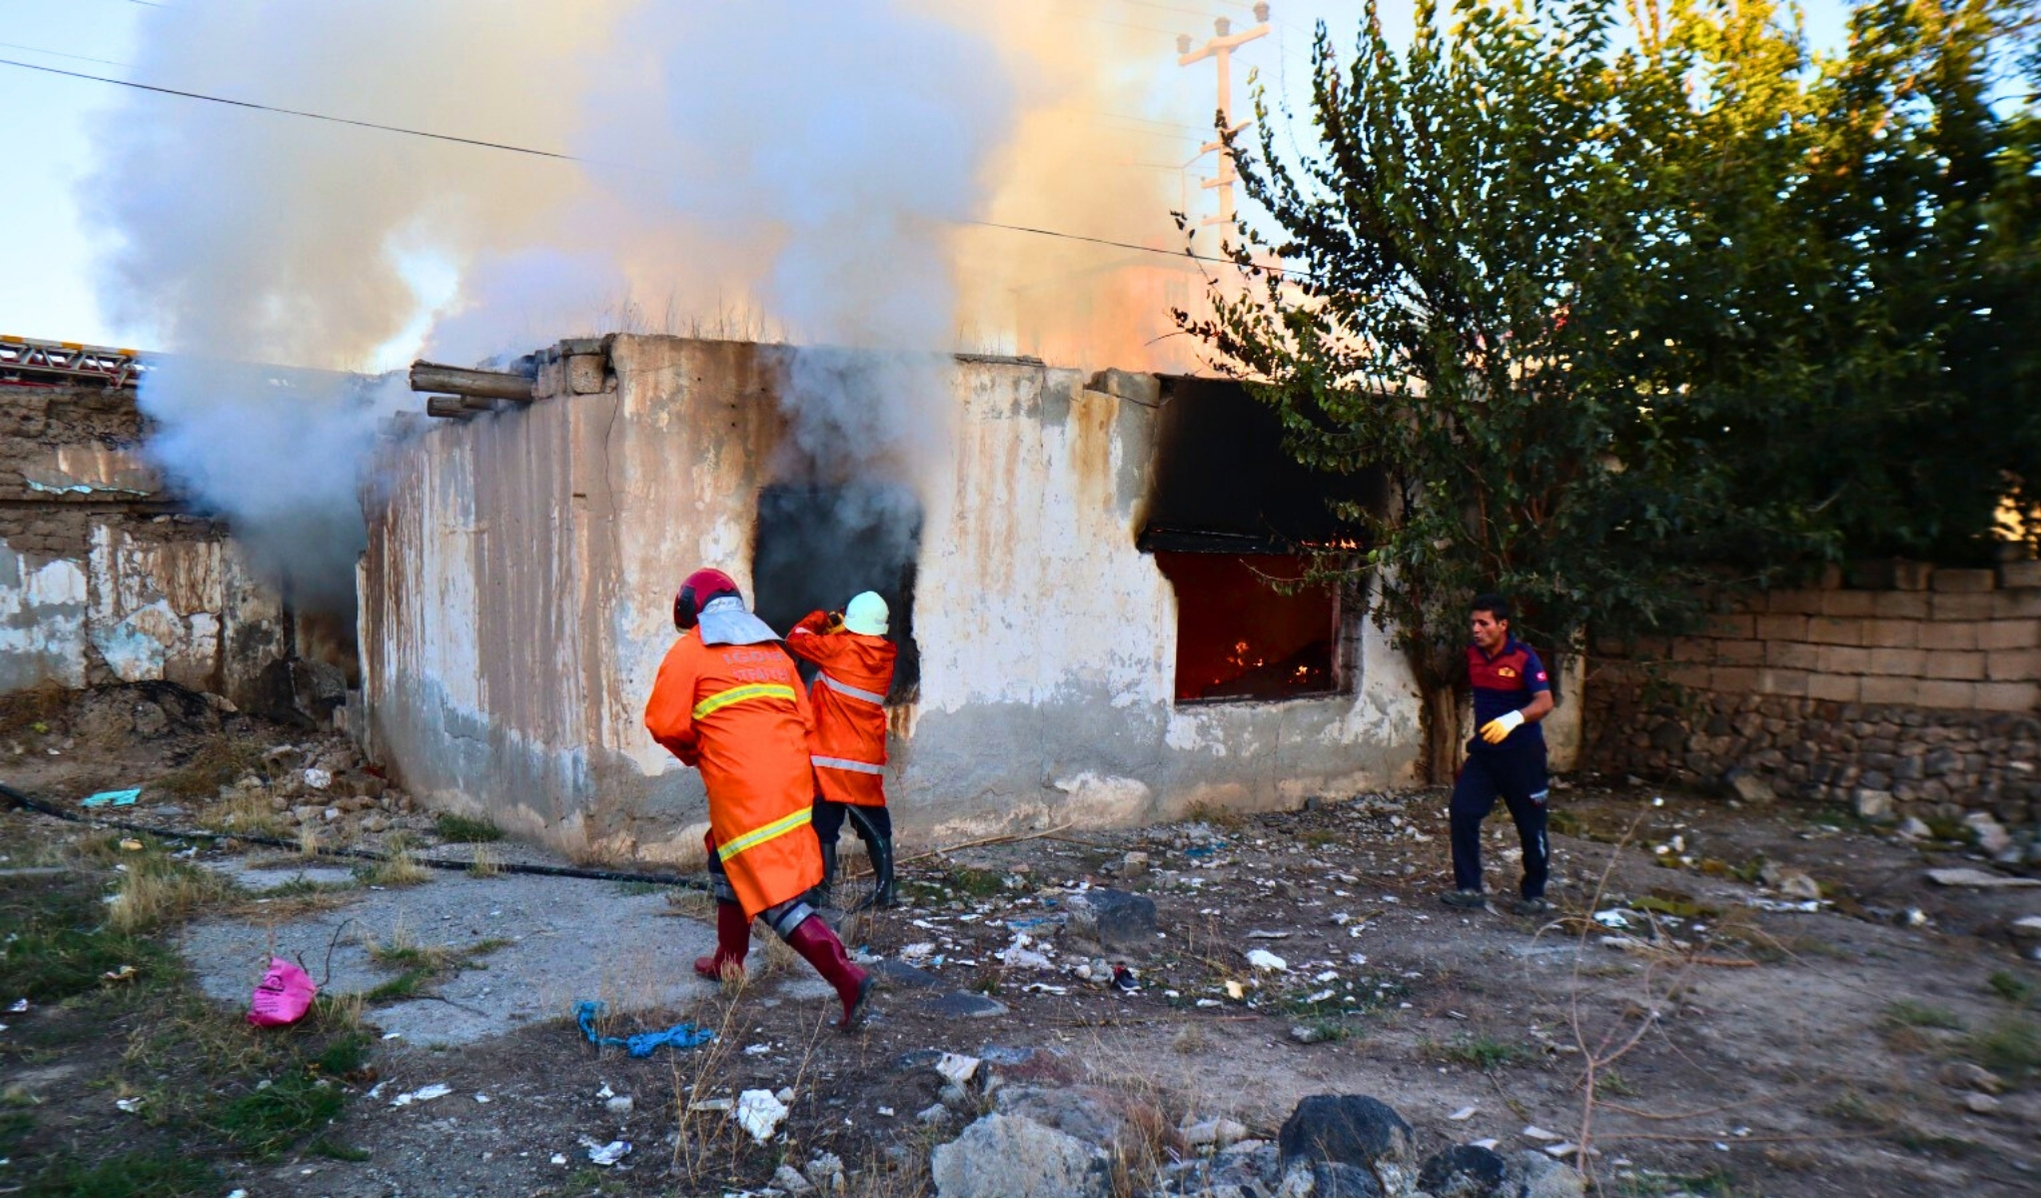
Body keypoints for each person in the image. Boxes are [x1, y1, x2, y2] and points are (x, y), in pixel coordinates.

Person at [643, 567, 872, 1030]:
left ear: (691, 607)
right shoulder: (774, 652)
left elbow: (665, 724)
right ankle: (730, 961)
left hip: (744, 786)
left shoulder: (691, 651)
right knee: (725, 854)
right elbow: (804, 719)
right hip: (791, 778)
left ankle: (845, 976)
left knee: (771, 892)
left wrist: (702, 752)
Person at [1442, 593, 1557, 916]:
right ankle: (1469, 888)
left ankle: (1534, 894)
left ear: (1502, 625)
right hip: (1485, 754)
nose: (1476, 629)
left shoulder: (1523, 657)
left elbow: (1545, 702)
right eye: (1473, 623)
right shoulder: (1472, 655)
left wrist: (1514, 718)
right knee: (1462, 811)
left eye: (1483, 623)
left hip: (1523, 756)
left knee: (1530, 824)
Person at [785, 591, 899, 911]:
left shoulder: (838, 648)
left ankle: (821, 892)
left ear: (852, 623)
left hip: (829, 757)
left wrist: (822, 618)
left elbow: (795, 638)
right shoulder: (885, 657)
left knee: (823, 823)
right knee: (876, 822)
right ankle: (886, 889)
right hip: (866, 759)